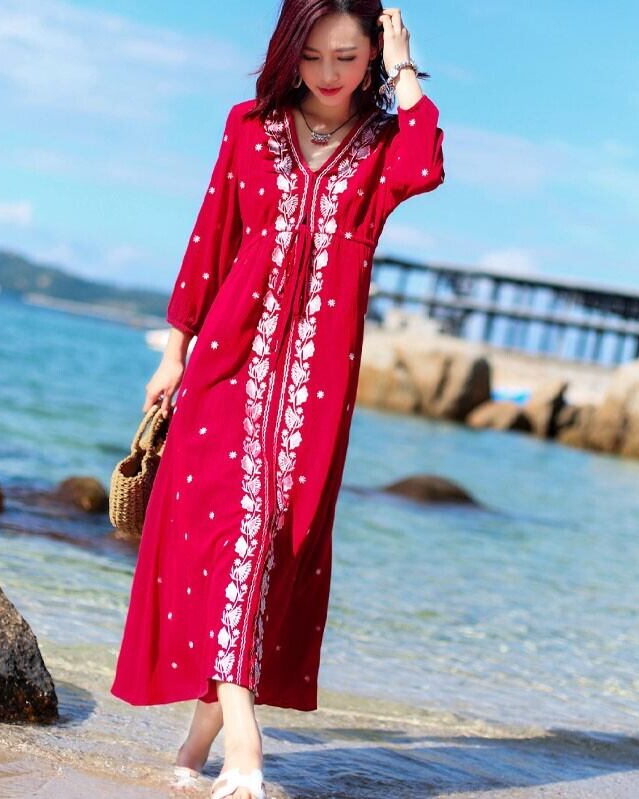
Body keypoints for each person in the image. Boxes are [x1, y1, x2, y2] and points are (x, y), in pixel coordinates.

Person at [109, 2, 445, 797]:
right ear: (289, 53)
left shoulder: (382, 145)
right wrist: (176, 350)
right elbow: (211, 237)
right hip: (226, 364)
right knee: (233, 532)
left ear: (371, 59)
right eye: (314, 56)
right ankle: (245, 746)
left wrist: (403, 66)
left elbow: (425, 164)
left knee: (272, 545)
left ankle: (196, 741)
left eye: (348, 58)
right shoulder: (247, 126)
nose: (329, 75)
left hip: (316, 384)